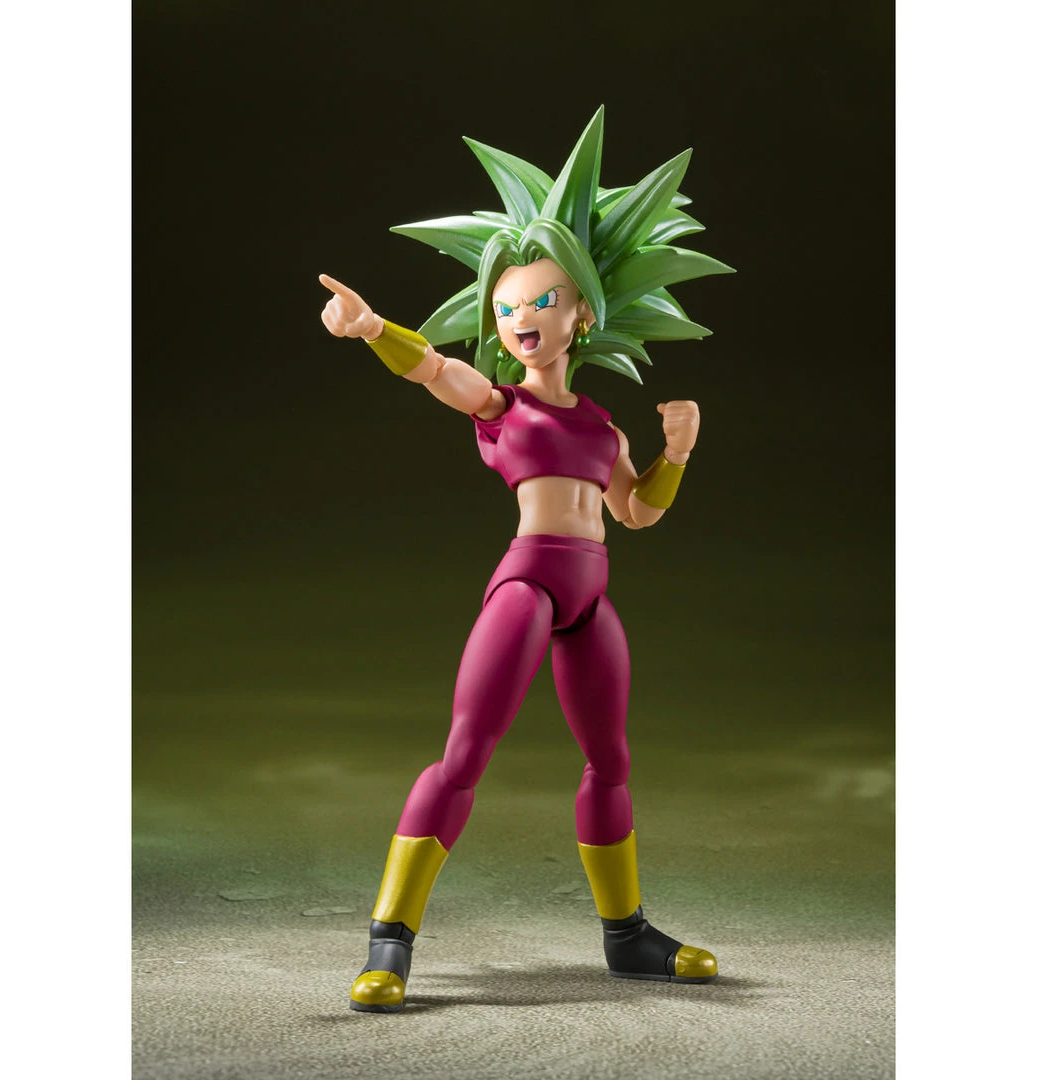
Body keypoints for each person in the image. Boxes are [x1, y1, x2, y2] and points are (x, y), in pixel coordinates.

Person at [319, 107, 734, 1013]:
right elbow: (436, 371)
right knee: (466, 751)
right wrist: (373, 326)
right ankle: (390, 941)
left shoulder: (602, 427)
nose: (519, 320)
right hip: (529, 583)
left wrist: (679, 453)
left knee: (610, 760)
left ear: (584, 313)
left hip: (592, 596)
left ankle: (627, 937)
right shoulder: (501, 406)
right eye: (505, 309)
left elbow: (635, 512)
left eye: (540, 302)